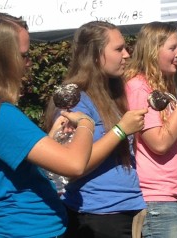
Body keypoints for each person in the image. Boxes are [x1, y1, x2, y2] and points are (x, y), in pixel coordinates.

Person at [0, 12, 95, 238]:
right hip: (23, 231)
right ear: (0, 60)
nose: (29, 63)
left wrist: (49, 136)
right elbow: (74, 164)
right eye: (23, 55)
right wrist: (87, 123)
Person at [44, 21, 148, 238]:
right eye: (118, 49)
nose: (127, 54)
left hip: (125, 208)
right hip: (97, 215)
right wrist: (120, 130)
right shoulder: (75, 101)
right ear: (94, 54)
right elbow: (73, 164)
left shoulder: (112, 94)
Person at [124, 21, 177, 238]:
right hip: (156, 196)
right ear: (153, 51)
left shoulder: (160, 87)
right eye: (172, 48)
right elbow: (159, 143)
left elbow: (166, 139)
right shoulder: (139, 88)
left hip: (174, 192)